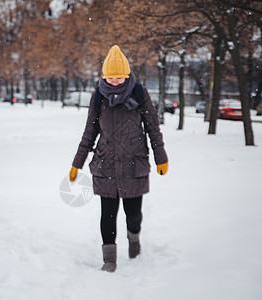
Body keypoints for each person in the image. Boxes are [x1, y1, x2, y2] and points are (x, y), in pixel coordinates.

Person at [69, 45, 168, 272]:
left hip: (135, 165)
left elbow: (153, 128)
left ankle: (134, 239)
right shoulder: (98, 98)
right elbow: (89, 134)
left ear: (127, 75)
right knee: (108, 214)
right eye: (111, 77)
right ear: (104, 76)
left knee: (133, 214)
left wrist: (161, 157)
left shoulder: (139, 94)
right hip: (106, 165)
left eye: (119, 77)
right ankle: (109, 259)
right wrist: (77, 163)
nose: (115, 81)